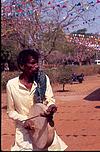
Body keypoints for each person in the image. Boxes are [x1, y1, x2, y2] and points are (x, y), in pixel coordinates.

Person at [6, 49, 68, 151]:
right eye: (32, 63)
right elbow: (10, 111)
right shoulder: (11, 85)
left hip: (44, 129)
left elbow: (50, 99)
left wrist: (51, 107)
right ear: (22, 66)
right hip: (24, 135)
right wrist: (24, 120)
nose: (37, 66)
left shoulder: (43, 79)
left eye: (37, 63)